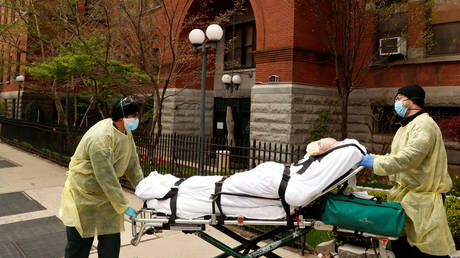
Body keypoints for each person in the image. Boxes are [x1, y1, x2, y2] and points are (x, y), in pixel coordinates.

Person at [359, 84, 455, 258]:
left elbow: (409, 158)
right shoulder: (405, 128)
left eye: (398, 99)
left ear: (410, 101)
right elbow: (396, 156)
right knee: (401, 246)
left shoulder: (424, 125)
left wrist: (374, 162)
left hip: (423, 201)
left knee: (426, 250)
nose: (395, 103)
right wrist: (370, 157)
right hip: (406, 197)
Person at [58, 96, 144, 258]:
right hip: (83, 194)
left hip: (106, 196)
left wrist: (144, 190)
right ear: (122, 116)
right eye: (134, 116)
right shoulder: (101, 139)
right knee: (79, 246)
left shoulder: (125, 132)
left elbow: (132, 164)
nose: (137, 119)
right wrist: (123, 205)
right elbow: (106, 177)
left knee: (111, 244)